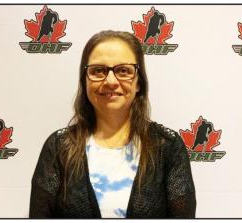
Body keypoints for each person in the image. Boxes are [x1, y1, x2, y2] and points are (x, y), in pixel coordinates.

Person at [29, 30, 196, 218]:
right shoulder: (59, 148)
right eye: (98, 70)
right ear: (85, 81)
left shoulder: (167, 147)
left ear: (138, 82)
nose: (110, 81)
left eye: (123, 70)